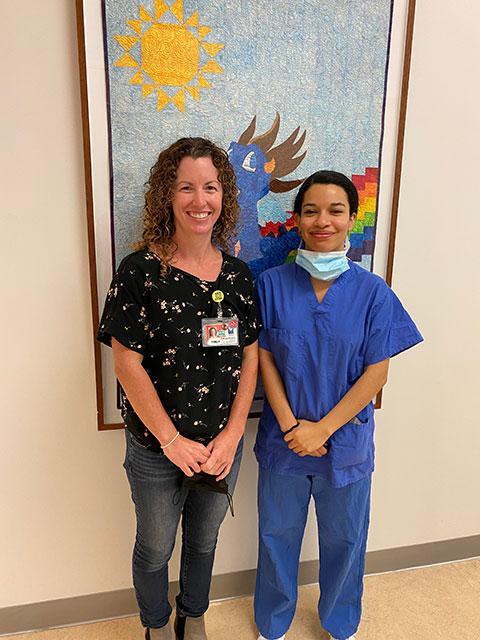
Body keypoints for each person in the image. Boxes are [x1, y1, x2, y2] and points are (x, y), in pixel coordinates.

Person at [97, 138, 259, 640]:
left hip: (217, 447)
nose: (199, 200)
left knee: (204, 542)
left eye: (209, 187)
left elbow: (250, 354)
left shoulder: (237, 276)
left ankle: (194, 615)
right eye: (185, 186)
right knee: (155, 546)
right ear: (167, 195)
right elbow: (126, 362)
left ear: (224, 196)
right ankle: (156, 625)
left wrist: (232, 436)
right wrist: (170, 440)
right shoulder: (140, 271)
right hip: (155, 447)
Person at [254, 171, 423, 640]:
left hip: (345, 443)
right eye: (311, 211)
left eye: (335, 211)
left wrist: (321, 430)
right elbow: (264, 356)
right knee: (275, 537)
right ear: (297, 220)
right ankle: (272, 623)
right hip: (283, 440)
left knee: (346, 539)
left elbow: (376, 372)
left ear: (352, 218)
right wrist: (292, 427)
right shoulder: (270, 285)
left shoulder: (373, 293)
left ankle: (339, 622)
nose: (322, 221)